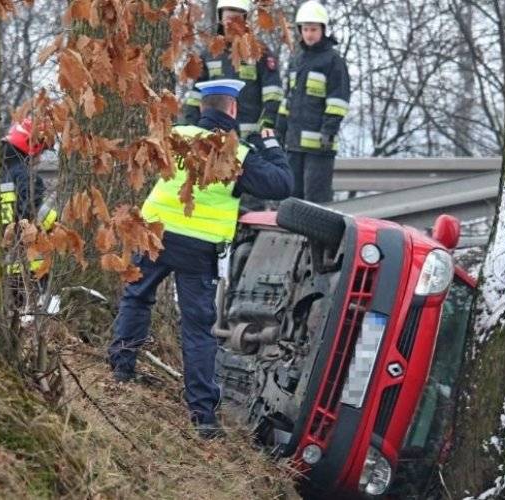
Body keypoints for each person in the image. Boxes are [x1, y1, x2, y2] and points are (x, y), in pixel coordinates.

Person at [109, 79, 292, 439]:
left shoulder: (175, 134)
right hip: (198, 249)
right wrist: (271, 145)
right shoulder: (236, 154)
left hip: (155, 234)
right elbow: (282, 185)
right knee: (197, 327)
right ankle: (203, 415)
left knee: (136, 297)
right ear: (234, 110)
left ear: (203, 108)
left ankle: (121, 369)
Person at [183, 0, 285, 213]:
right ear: (220, 16)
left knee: (250, 207)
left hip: (248, 144)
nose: (232, 22)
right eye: (228, 16)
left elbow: (273, 96)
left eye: (238, 16)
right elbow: (194, 98)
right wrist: (192, 131)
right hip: (214, 143)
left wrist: (264, 128)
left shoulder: (260, 53)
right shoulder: (209, 53)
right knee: (214, 197)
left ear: (246, 19)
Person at [276, 0, 350, 204]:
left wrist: (329, 131)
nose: (309, 34)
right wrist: (279, 130)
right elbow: (288, 100)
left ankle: (317, 238)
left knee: (316, 200)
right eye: (306, 29)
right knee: (292, 198)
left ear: (323, 30)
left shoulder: (333, 61)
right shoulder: (296, 60)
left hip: (320, 147)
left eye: (314, 29)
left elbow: (338, 101)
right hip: (294, 145)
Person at [0, 118, 57, 299]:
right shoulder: (29, 179)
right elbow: (28, 216)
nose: (40, 158)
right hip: (29, 267)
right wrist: (58, 224)